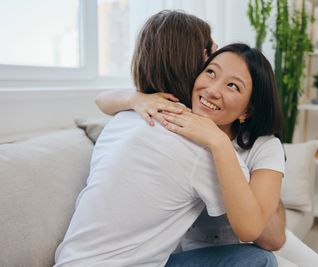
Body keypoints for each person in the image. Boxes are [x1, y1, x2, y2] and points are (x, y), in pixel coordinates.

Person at [54, 10, 281, 267]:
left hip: (69, 261)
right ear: (191, 65)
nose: (214, 87)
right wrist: (217, 142)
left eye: (232, 85)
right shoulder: (198, 146)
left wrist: (133, 99)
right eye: (210, 66)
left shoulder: (127, 116)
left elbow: (103, 100)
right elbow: (250, 228)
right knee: (259, 261)